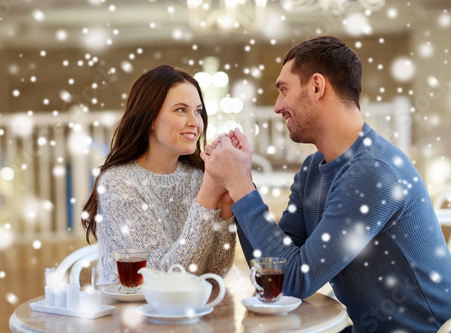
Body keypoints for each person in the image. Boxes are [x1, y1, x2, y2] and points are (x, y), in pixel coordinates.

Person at [201, 36, 451, 332]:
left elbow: (295, 280)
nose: (277, 107)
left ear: (317, 86)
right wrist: (236, 193)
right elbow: (276, 270)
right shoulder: (313, 169)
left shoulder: (373, 172)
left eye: (284, 90)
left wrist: (242, 186)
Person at [82, 65, 236, 284]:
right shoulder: (118, 184)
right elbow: (166, 280)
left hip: (184, 312)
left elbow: (215, 273)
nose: (195, 122)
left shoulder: (197, 177)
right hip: (127, 313)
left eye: (198, 111)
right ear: (150, 118)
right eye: (181, 109)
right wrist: (207, 199)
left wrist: (225, 209)